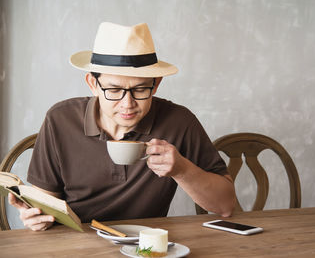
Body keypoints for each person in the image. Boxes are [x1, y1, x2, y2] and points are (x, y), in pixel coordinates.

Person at [8, 22, 235, 231]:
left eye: (140, 89)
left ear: (156, 85)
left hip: (144, 247)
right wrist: (35, 217)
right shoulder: (60, 119)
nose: (128, 104)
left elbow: (225, 206)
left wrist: (182, 169)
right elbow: (44, 204)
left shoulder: (179, 122)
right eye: (114, 90)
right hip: (75, 242)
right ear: (92, 84)